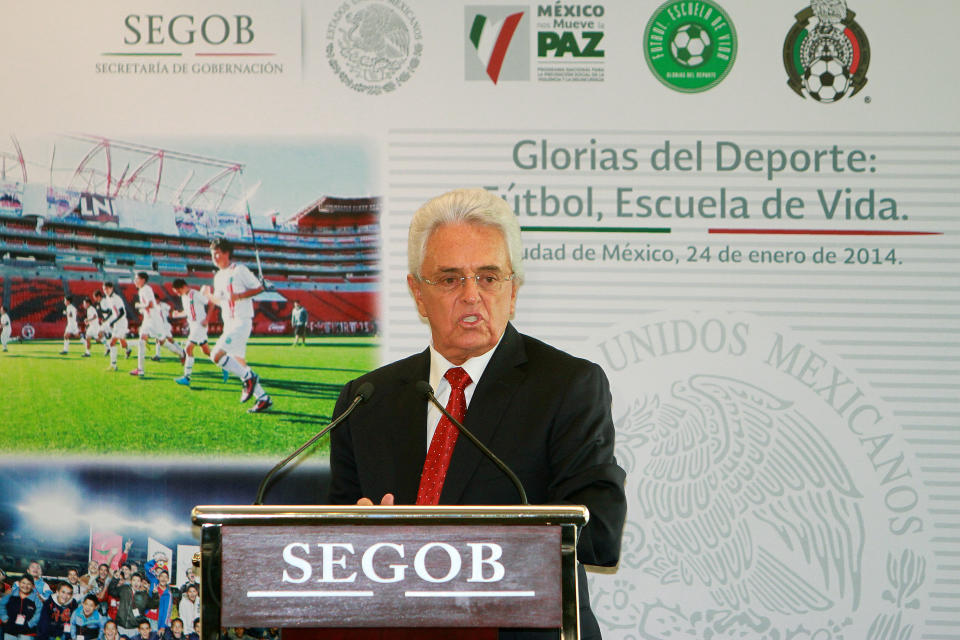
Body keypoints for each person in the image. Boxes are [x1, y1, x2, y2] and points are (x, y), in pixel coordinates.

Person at [327, 188, 627, 640]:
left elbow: (598, 531)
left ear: (513, 290)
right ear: (417, 293)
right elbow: (330, 538)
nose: (471, 295)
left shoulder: (566, 386)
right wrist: (356, 534)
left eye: (488, 277)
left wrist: (461, 546)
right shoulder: (367, 400)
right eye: (449, 279)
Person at [200, 238, 272, 413]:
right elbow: (220, 301)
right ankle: (263, 398)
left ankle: (249, 377)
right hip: (229, 323)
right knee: (239, 362)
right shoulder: (218, 277)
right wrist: (209, 295)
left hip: (241, 321)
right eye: (212, 254)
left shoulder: (239, 270)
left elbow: (259, 288)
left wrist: (239, 296)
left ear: (226, 253)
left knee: (216, 355)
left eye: (217, 253)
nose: (214, 257)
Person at [170, 278, 225, 386]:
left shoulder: (194, 294)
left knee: (188, 348)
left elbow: (211, 303)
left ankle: (187, 377)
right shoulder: (184, 297)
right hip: (194, 326)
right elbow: (188, 311)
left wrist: (207, 319)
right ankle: (225, 365)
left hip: (199, 326)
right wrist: (178, 314)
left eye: (178, 291)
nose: (178, 294)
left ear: (183, 287)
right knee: (206, 351)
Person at [130, 272, 184, 377]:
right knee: (142, 339)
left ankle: (182, 354)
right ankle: (140, 369)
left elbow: (149, 305)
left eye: (136, 278)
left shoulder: (146, 289)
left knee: (163, 342)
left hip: (154, 320)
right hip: (148, 319)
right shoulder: (142, 290)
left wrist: (138, 305)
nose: (134, 281)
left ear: (143, 280)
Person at [109, 572, 156, 638]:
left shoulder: (144, 595)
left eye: (138, 581)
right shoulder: (124, 589)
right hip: (120, 627)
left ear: (141, 583)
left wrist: (155, 594)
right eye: (134, 580)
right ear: (130, 581)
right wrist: (115, 578)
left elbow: (154, 605)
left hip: (135, 628)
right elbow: (111, 591)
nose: (136, 583)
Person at [101, 282, 132, 371]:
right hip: (117, 323)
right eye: (104, 289)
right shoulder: (108, 298)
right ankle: (128, 349)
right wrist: (107, 319)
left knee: (112, 342)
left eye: (107, 289)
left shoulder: (117, 298)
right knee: (122, 343)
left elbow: (122, 313)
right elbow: (112, 311)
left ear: (111, 288)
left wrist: (113, 322)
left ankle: (113, 365)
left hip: (121, 323)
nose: (105, 291)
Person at [1, 576, 41, 640]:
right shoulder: (10, 595)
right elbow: (1, 605)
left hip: (28, 633)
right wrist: (4, 618)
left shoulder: (36, 599)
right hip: (10, 631)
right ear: (19, 583)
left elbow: (39, 612)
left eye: (29, 584)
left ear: (33, 586)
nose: (25, 586)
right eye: (23, 583)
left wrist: (30, 624)